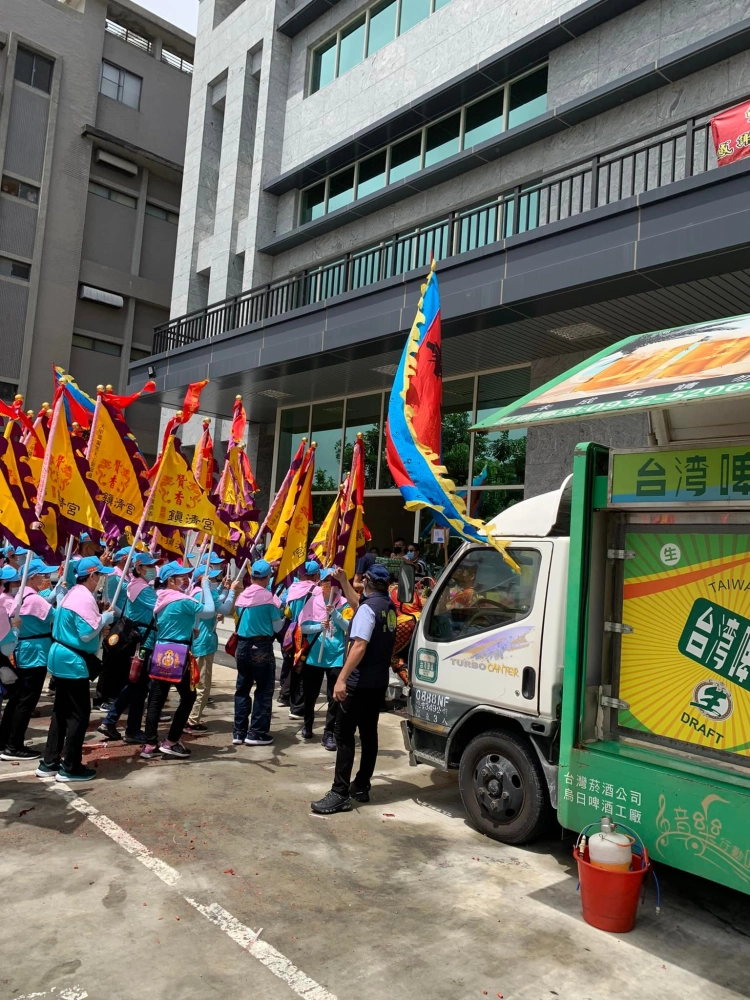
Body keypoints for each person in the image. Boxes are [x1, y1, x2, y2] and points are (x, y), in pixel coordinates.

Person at [311, 563, 397, 815]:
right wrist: (345, 582)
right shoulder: (387, 606)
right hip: (378, 681)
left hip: (359, 682)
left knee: (344, 733)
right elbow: (359, 607)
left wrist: (341, 679)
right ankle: (361, 785)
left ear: (368, 582)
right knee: (369, 734)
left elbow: (359, 645)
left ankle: (339, 793)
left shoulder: (368, 610)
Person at [37, 556, 116, 783]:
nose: (101, 580)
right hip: (73, 662)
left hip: (62, 656)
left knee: (60, 713)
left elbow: (82, 630)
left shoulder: (73, 593)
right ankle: (70, 766)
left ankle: (49, 761)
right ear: (92, 576)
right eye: (100, 575)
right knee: (78, 716)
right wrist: (105, 618)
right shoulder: (83, 597)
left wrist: (98, 624)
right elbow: (86, 633)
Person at [140, 561, 215, 761]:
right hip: (178, 653)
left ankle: (149, 743)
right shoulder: (181, 600)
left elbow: (171, 623)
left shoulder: (161, 598)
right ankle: (171, 741)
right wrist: (205, 587)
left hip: (161, 649)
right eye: (180, 577)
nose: (185, 579)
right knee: (189, 697)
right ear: (170, 580)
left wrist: (188, 630)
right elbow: (209, 610)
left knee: (156, 698)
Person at [97, 552, 158, 744]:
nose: (153, 569)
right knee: (138, 687)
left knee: (134, 685)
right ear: (139, 568)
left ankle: (111, 721)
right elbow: (161, 607)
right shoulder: (142, 589)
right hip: (142, 642)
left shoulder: (135, 585)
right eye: (149, 566)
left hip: (138, 640)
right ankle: (130, 729)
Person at [0, 558, 57, 761]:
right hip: (35, 652)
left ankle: (5, 740)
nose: (46, 578)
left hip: (25, 649)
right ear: (32, 577)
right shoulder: (33, 598)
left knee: (18, 699)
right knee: (26, 700)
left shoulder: (24, 596)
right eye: (42, 575)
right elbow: (57, 616)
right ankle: (14, 745)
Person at [297, 568, 352, 750]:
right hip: (314, 657)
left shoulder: (344, 604)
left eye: (331, 581)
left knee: (333, 697)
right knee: (310, 694)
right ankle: (308, 724)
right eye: (325, 581)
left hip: (336, 656)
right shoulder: (312, 602)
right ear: (320, 582)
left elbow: (349, 628)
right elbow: (303, 626)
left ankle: (329, 733)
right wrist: (318, 627)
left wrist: (335, 614)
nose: (328, 585)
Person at [232, 559, 284, 747]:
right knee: (263, 690)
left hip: (242, 646)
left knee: (242, 688)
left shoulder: (242, 596)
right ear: (267, 577)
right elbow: (277, 626)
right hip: (261, 646)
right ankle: (256, 732)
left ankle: (239, 731)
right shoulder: (269, 599)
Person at [184, 563, 240, 734]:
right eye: (213, 578)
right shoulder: (201, 593)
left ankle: (190, 716)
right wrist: (232, 591)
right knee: (202, 684)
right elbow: (222, 606)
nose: (215, 580)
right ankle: (192, 720)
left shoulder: (196, 592)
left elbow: (216, 602)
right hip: (203, 642)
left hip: (200, 640)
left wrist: (223, 588)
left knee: (196, 682)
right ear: (202, 579)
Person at [278, 560, 320, 718]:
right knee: (303, 669)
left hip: (291, 631)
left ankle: (289, 699)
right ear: (316, 575)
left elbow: (282, 605)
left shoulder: (293, 588)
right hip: (307, 634)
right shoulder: (316, 591)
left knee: (294, 666)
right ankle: (298, 707)